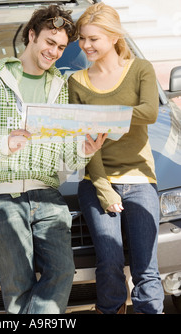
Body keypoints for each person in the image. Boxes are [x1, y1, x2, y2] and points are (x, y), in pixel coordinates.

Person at [0, 5, 106, 314]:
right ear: (32, 36)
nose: (54, 52)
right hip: (1, 195)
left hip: (47, 194)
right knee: (18, 287)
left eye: (60, 47)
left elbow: (63, 154)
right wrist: (8, 141)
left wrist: (83, 150)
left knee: (62, 272)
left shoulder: (58, 87)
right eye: (49, 42)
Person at [68, 2, 164, 314]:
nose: (86, 45)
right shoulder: (77, 82)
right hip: (97, 181)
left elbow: (149, 112)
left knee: (146, 267)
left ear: (113, 37)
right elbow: (86, 142)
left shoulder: (140, 69)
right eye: (83, 38)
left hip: (139, 179)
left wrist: (103, 115)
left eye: (93, 38)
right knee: (108, 263)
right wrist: (104, 188)